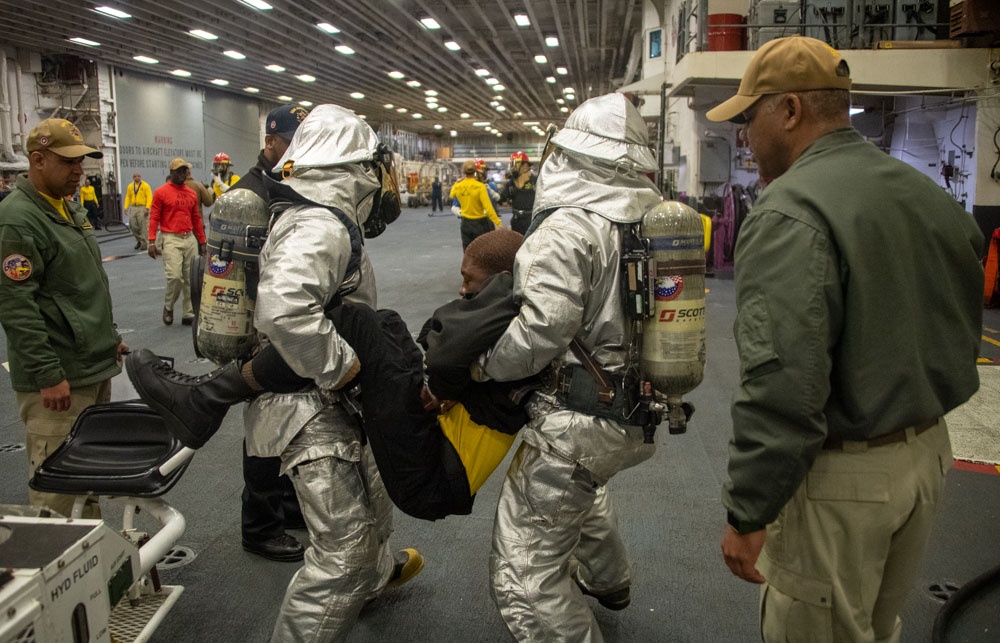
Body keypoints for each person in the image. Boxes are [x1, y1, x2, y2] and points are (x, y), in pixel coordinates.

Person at [706, 36, 984, 642]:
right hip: (925, 457)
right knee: (877, 628)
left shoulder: (789, 211)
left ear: (790, 110)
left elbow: (783, 384)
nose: (745, 137)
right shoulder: (925, 195)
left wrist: (751, 509)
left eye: (750, 117)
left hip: (845, 483)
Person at [152, 105, 421, 641]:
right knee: (341, 554)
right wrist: (343, 368)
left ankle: (368, 583)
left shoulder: (312, 213)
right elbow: (284, 311)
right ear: (353, 166)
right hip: (310, 408)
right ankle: (344, 591)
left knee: (374, 505)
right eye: (373, 164)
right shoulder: (319, 223)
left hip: (322, 399)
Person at [128, 228, 529, 521]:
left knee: (356, 322)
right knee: (383, 321)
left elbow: (443, 354)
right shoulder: (509, 310)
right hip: (434, 444)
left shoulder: (510, 304)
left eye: (469, 281)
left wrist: (442, 386)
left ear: (499, 282)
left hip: (434, 473)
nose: (461, 290)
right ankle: (240, 385)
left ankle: (206, 398)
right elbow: (433, 332)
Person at [478, 93, 663, 641]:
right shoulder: (653, 222)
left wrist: (481, 367)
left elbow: (538, 334)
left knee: (525, 578)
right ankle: (609, 579)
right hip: (639, 409)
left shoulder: (568, 229)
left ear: (567, 154)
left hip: (578, 417)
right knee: (579, 486)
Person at [0, 118, 128, 519]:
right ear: (37, 160)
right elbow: (16, 307)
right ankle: (58, 577)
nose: (79, 171)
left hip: (91, 366)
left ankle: (92, 577)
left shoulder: (68, 209)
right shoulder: (18, 219)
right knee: (57, 495)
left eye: (82, 162)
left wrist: (107, 337)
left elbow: (80, 287)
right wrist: (47, 376)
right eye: (68, 162)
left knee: (86, 479)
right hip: (59, 379)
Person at [227, 103, 309, 563]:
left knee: (293, 421)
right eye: (294, 141)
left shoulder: (287, 185)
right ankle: (259, 527)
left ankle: (287, 506)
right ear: (272, 142)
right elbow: (236, 272)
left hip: (287, 326)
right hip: (261, 329)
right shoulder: (250, 194)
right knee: (263, 432)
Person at [148, 157, 206, 326]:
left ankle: (188, 312)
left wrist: (202, 241)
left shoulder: (191, 194)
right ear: (172, 172)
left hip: (189, 238)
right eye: (180, 171)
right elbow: (154, 218)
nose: (183, 174)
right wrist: (151, 241)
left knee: (190, 278)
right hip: (170, 237)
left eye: (185, 170)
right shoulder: (161, 192)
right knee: (175, 276)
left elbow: (196, 218)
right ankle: (169, 306)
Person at [450, 159, 501, 249]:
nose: (484, 174)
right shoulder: (477, 187)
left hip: (488, 221)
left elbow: (498, 200)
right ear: (475, 171)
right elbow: (455, 206)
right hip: (479, 222)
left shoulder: (491, 186)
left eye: (485, 171)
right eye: (481, 171)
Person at [499, 151, 535, 234]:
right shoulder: (510, 184)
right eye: (512, 164)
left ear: (525, 166)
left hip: (531, 220)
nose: (512, 167)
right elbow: (502, 199)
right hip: (516, 220)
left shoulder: (535, 182)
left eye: (515, 163)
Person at [124, 172, 153, 250]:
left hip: (142, 207)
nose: (137, 177)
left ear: (140, 177)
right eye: (135, 176)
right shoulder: (130, 186)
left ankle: (144, 243)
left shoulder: (145, 185)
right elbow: (128, 197)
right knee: (133, 225)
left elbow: (149, 197)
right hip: (133, 207)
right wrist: (126, 207)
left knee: (143, 226)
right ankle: (139, 240)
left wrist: (147, 208)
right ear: (133, 178)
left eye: (138, 176)